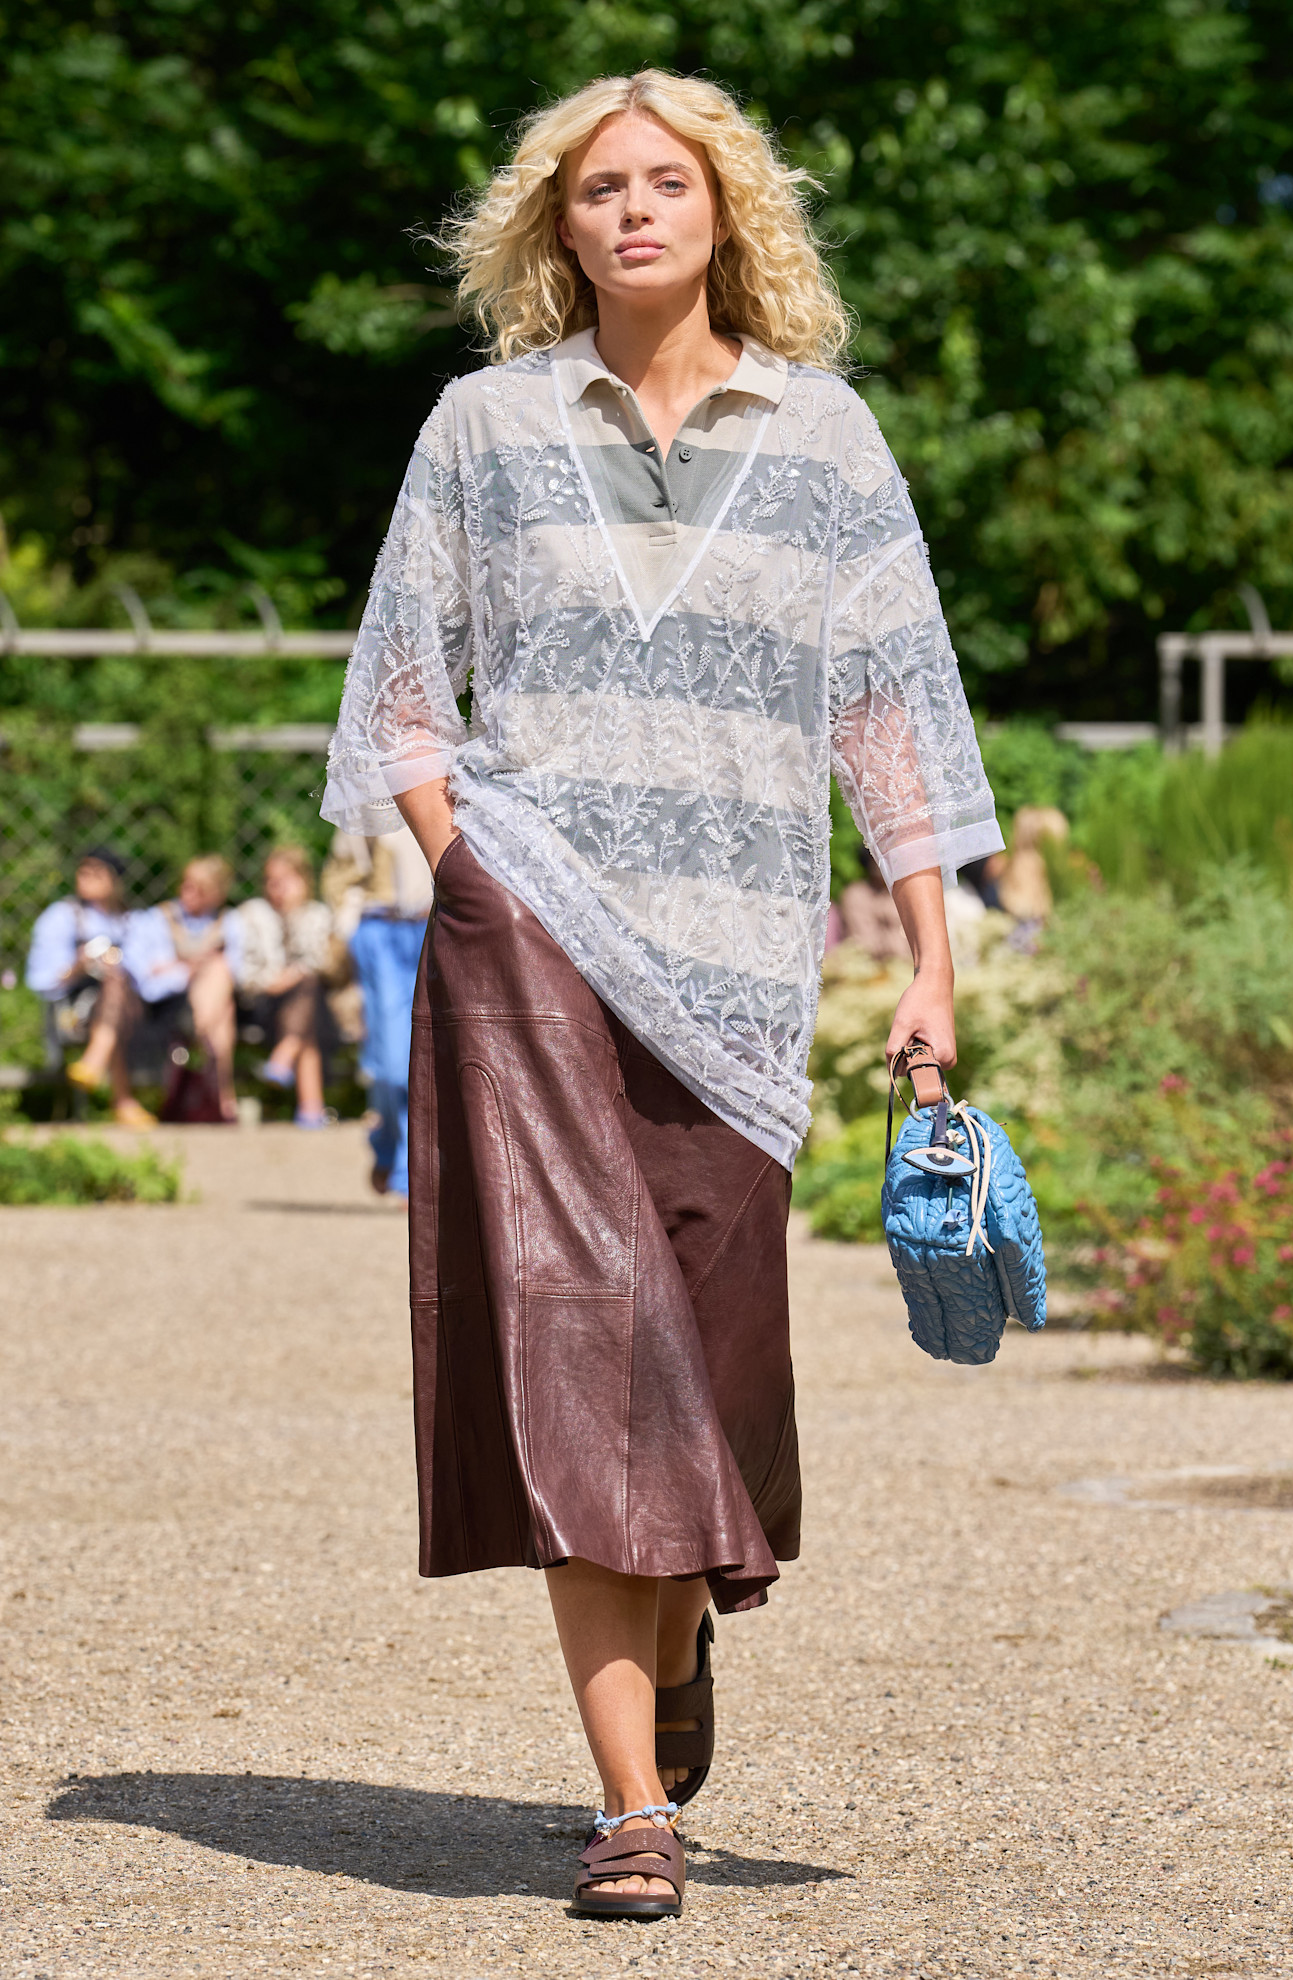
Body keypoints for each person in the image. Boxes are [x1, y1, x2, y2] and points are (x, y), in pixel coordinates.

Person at [322, 69, 1003, 1918]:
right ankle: (633, 1804)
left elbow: (895, 714)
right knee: (571, 1358)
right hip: (527, 936)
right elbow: (397, 687)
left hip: (738, 974)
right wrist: (466, 856)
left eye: (666, 183)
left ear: (726, 215)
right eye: (599, 188)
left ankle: (688, 1630)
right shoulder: (481, 427)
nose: (634, 210)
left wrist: (931, 957)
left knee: (703, 1371)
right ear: (559, 227)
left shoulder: (829, 439)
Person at [322, 826, 434, 1195]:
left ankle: (394, 1151)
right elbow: (340, 875)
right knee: (392, 1061)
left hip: (429, 926)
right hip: (381, 929)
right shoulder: (367, 787)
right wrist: (349, 925)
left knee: (424, 1054)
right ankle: (403, 1164)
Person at [25, 846, 155, 1128]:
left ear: (115, 880)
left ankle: (94, 1063)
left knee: (117, 984)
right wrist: (78, 965)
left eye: (96, 871)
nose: (86, 876)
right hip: (76, 1009)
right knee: (114, 994)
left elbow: (150, 977)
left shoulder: (133, 922)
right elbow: (40, 979)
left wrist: (115, 965)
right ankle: (122, 1100)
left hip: (134, 1007)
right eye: (83, 870)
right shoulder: (61, 916)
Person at [123, 854, 244, 1123]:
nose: (189, 893)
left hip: (206, 1002)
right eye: (186, 885)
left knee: (220, 975)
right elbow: (143, 976)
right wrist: (187, 967)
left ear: (217, 894)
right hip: (163, 1004)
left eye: (199, 889)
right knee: (222, 1004)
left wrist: (178, 965)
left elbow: (240, 973)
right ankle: (223, 1097)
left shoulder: (229, 922)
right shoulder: (157, 918)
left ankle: (195, 1036)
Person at [233, 845, 333, 1128]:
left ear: (303, 880)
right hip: (262, 1003)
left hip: (307, 1002)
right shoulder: (252, 914)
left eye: (285, 880)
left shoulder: (316, 915)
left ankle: (285, 1055)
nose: (276, 887)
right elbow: (244, 972)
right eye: (271, 880)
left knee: (307, 990)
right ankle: (311, 1107)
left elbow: (321, 961)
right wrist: (272, 982)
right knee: (307, 1006)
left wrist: (294, 915)